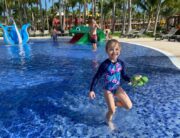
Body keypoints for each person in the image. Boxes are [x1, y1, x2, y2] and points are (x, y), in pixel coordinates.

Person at [88, 39, 132, 130]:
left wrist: (131, 80)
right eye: (111, 49)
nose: (114, 52)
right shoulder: (104, 64)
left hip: (117, 88)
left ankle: (114, 103)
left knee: (129, 106)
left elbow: (123, 75)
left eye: (116, 49)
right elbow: (96, 77)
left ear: (119, 51)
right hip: (108, 89)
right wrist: (92, 90)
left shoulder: (121, 63)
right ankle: (108, 121)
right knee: (112, 110)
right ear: (107, 50)